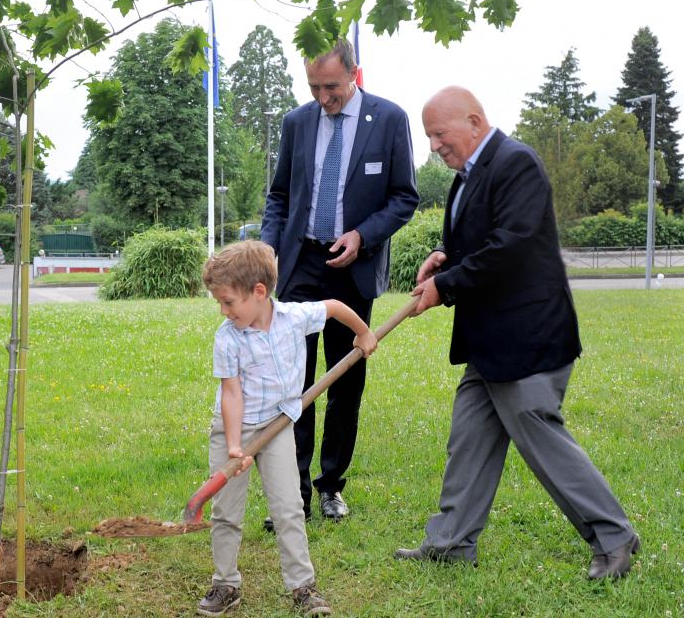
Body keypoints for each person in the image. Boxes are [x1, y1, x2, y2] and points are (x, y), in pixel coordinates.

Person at [395, 86, 639, 580]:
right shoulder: (468, 175)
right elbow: (482, 242)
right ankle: (451, 542)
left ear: (475, 122)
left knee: (538, 435)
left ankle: (615, 537)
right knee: (469, 437)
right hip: (488, 341)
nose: (435, 146)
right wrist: (446, 259)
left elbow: (511, 249)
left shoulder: (516, 163)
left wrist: (447, 285)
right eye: (429, 138)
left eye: (440, 135)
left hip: (528, 338)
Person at [261, 39, 418, 526]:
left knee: (345, 380)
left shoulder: (389, 120)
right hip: (301, 265)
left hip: (354, 266)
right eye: (313, 86)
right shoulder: (297, 122)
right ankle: (296, 495)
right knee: (295, 382)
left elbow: (403, 196)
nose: (322, 97)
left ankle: (331, 487)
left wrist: (362, 236)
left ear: (354, 74)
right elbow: (279, 196)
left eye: (330, 87)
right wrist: (269, 250)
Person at [197, 240, 378, 617]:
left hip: (278, 425)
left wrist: (363, 333)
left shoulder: (295, 317)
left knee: (289, 508)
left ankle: (302, 587)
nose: (223, 310)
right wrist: (234, 446)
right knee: (227, 512)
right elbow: (231, 395)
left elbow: (335, 307)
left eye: (228, 301)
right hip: (235, 430)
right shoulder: (226, 338)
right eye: (220, 303)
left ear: (259, 292)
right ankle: (225, 584)